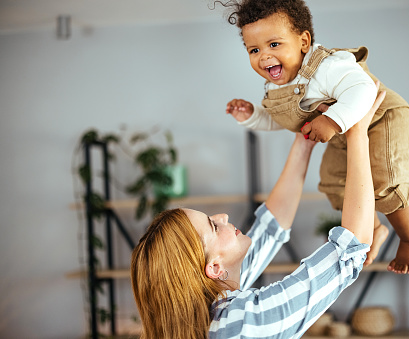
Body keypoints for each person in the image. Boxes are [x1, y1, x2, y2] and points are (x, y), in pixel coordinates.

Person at [130, 89, 385, 338]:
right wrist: (357, 131)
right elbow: (349, 250)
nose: (223, 217)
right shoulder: (244, 323)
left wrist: (304, 138)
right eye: (214, 226)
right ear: (215, 267)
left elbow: (271, 227)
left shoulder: (209, 308)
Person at [221, 0, 409, 274]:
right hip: (343, 134)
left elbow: (364, 89)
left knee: (384, 182)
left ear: (304, 41)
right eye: (254, 49)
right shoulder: (279, 86)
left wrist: (331, 120)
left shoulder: (327, 66)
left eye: (274, 45)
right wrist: (251, 115)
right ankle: (375, 228)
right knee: (333, 183)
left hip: (383, 120)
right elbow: (283, 120)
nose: (264, 56)